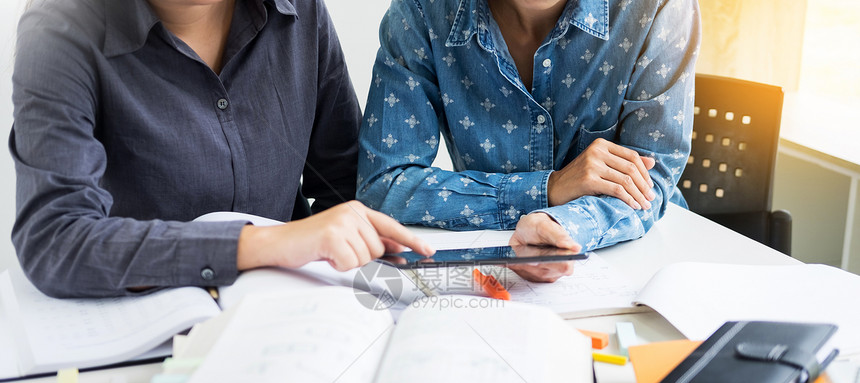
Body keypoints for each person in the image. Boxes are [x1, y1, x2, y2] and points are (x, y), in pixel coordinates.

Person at [10, 0, 433, 298]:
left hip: (293, 313)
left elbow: (343, 186)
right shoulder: (60, 30)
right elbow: (55, 240)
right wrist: (264, 244)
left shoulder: (300, 12)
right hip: (148, 328)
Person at [357, 0, 700, 280]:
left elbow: (650, 181)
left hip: (641, 259)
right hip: (489, 266)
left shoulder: (658, 7)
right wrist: (547, 190)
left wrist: (560, 225)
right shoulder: (422, 10)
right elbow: (384, 183)